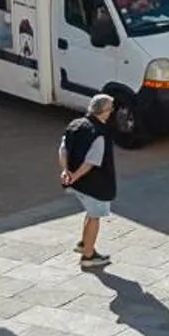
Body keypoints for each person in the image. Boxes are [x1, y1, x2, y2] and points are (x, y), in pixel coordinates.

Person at [58, 94, 119, 269]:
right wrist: (75, 176)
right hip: (94, 184)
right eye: (110, 108)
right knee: (94, 216)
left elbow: (63, 149)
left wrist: (65, 172)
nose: (112, 112)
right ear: (104, 112)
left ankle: (85, 243)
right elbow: (92, 161)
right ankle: (88, 256)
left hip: (78, 185)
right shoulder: (100, 132)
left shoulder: (74, 125)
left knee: (90, 212)